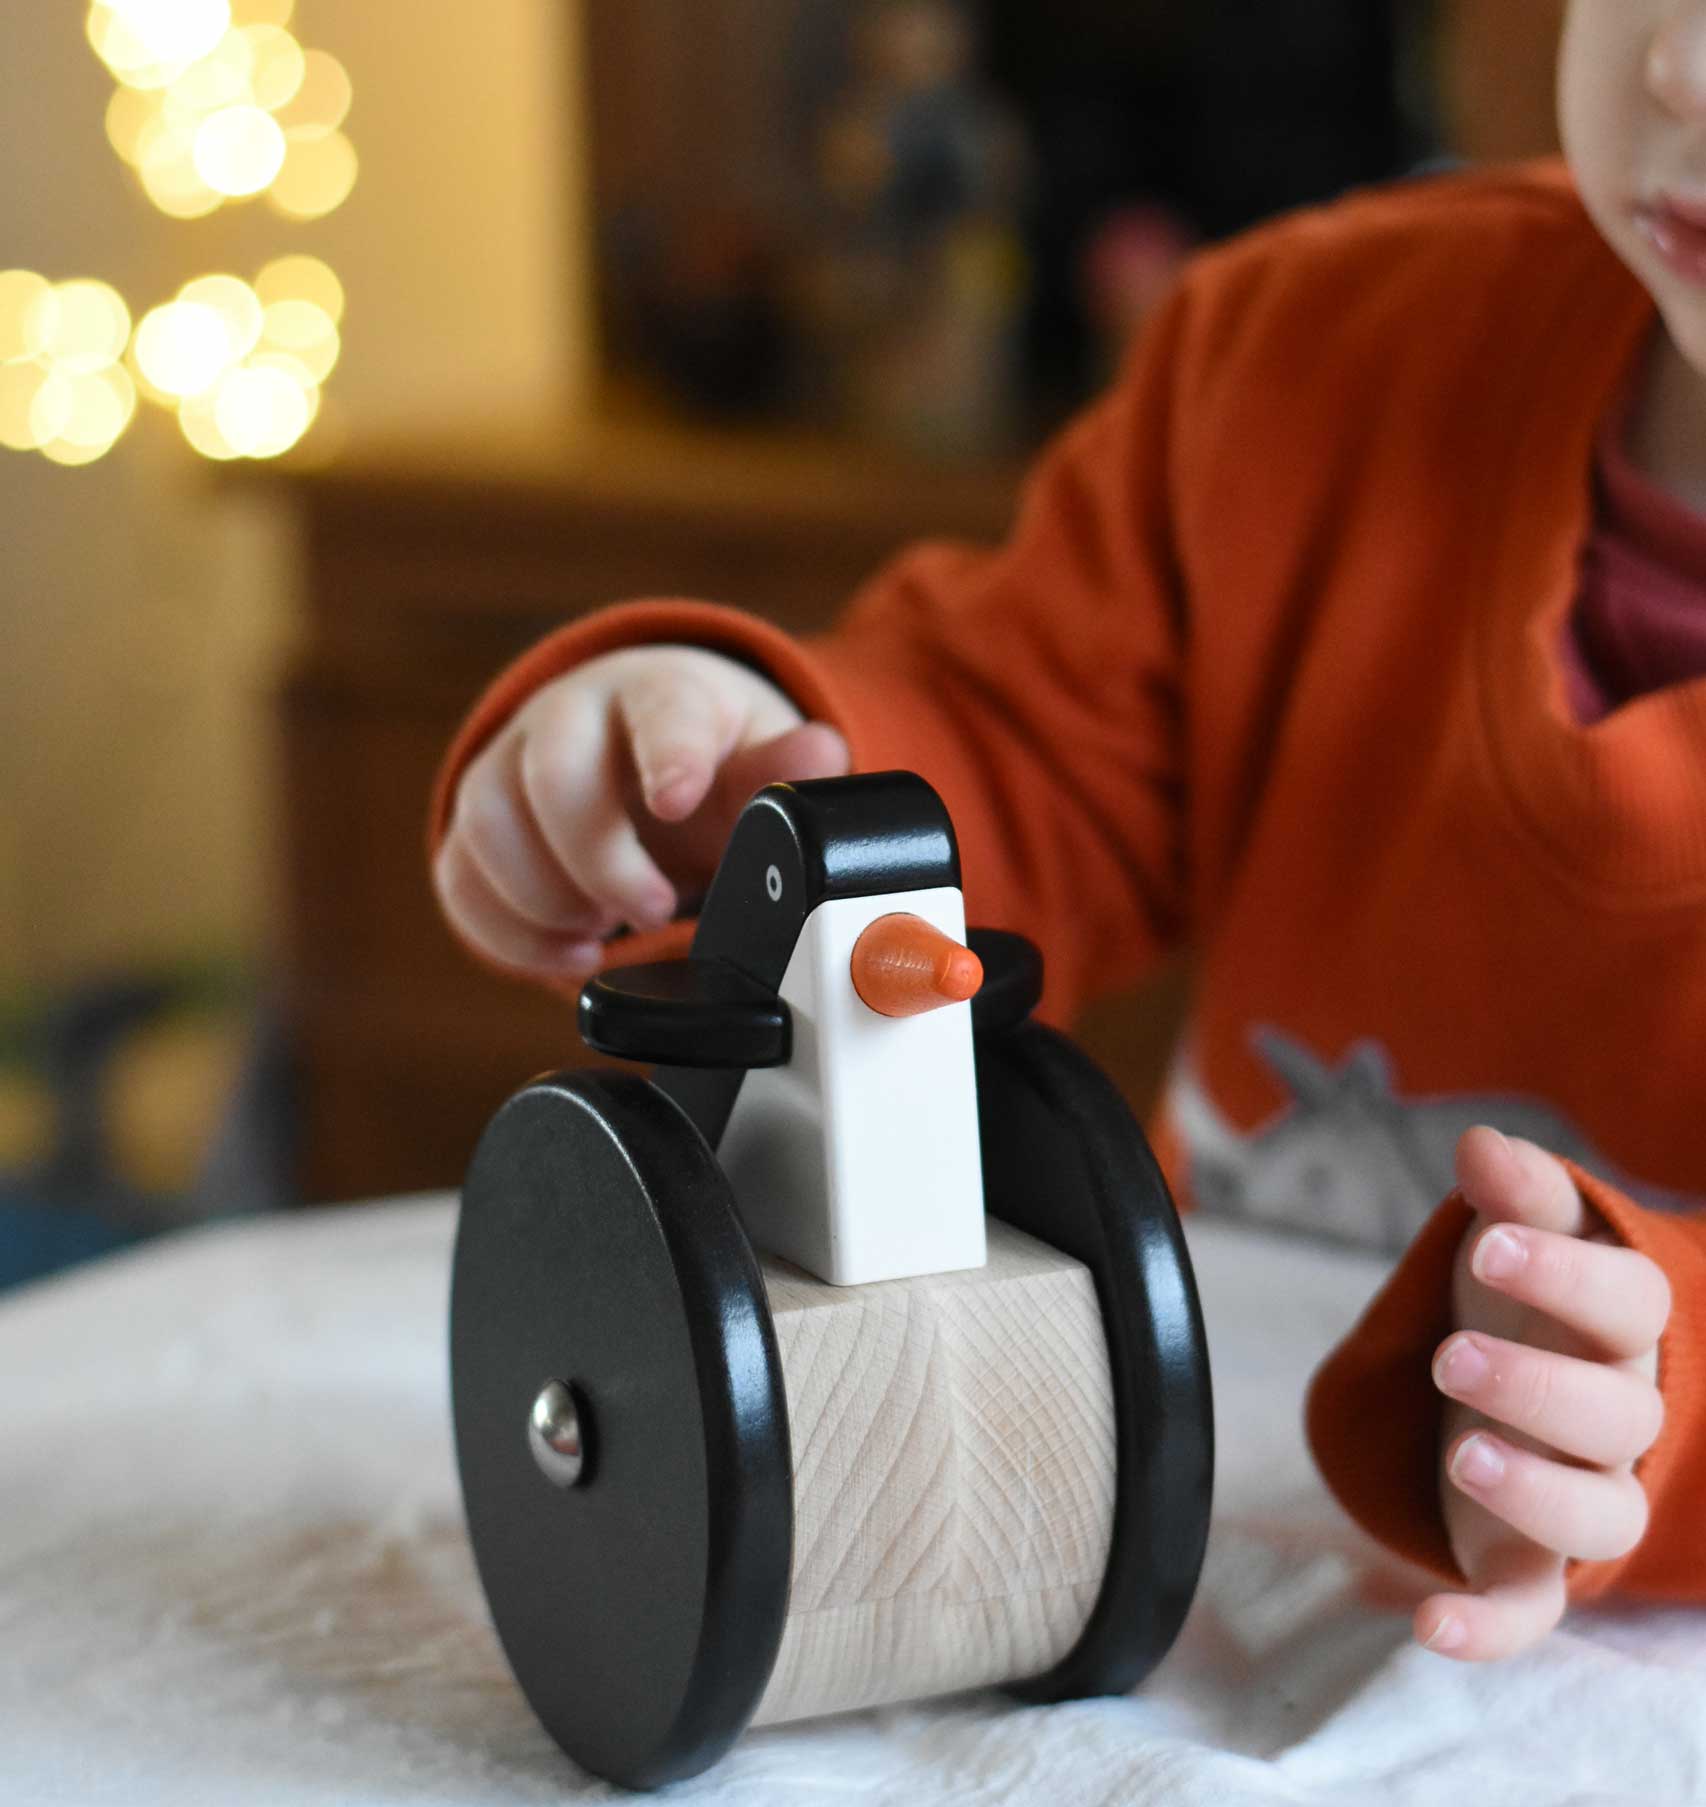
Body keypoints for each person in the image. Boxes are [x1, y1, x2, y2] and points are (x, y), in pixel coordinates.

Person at [428, 0, 1705, 1663]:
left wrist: (1640, 1422)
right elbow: (1017, 755)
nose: (1675, 69)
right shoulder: (1308, 350)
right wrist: (734, 795)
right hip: (1168, 1540)